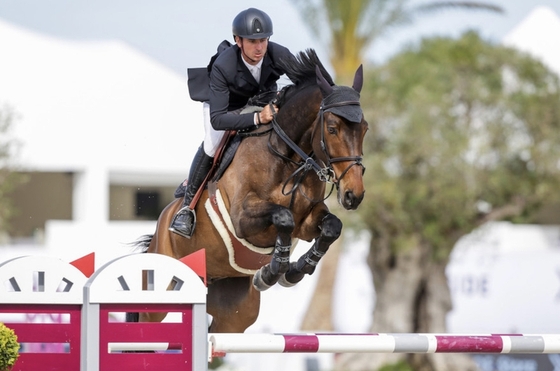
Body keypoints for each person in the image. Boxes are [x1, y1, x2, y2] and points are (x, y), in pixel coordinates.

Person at [169, 7, 296, 238]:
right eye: (252, 41)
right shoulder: (223, 65)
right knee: (212, 145)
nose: (259, 47)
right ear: (238, 40)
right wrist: (257, 118)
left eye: (263, 40)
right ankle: (187, 209)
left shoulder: (278, 53)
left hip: (261, 101)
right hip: (226, 108)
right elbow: (218, 119)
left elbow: (305, 80)